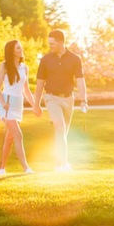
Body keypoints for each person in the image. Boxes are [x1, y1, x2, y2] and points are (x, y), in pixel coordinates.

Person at [33, 29, 88, 172]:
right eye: (49, 43)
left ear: (61, 42)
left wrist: (84, 100)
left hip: (68, 99)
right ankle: (61, 164)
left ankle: (60, 162)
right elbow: (40, 83)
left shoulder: (75, 59)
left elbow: (80, 81)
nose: (50, 46)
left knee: (63, 133)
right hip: (51, 98)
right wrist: (36, 104)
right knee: (60, 127)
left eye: (52, 43)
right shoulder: (45, 60)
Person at [0, 39, 36, 175]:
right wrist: (3, 102)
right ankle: (26, 168)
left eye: (20, 47)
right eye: (18, 48)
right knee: (18, 135)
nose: (21, 49)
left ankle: (1, 168)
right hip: (6, 104)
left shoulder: (25, 68)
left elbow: (26, 90)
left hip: (19, 105)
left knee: (10, 138)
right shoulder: (4, 66)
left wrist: (35, 105)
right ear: (12, 51)